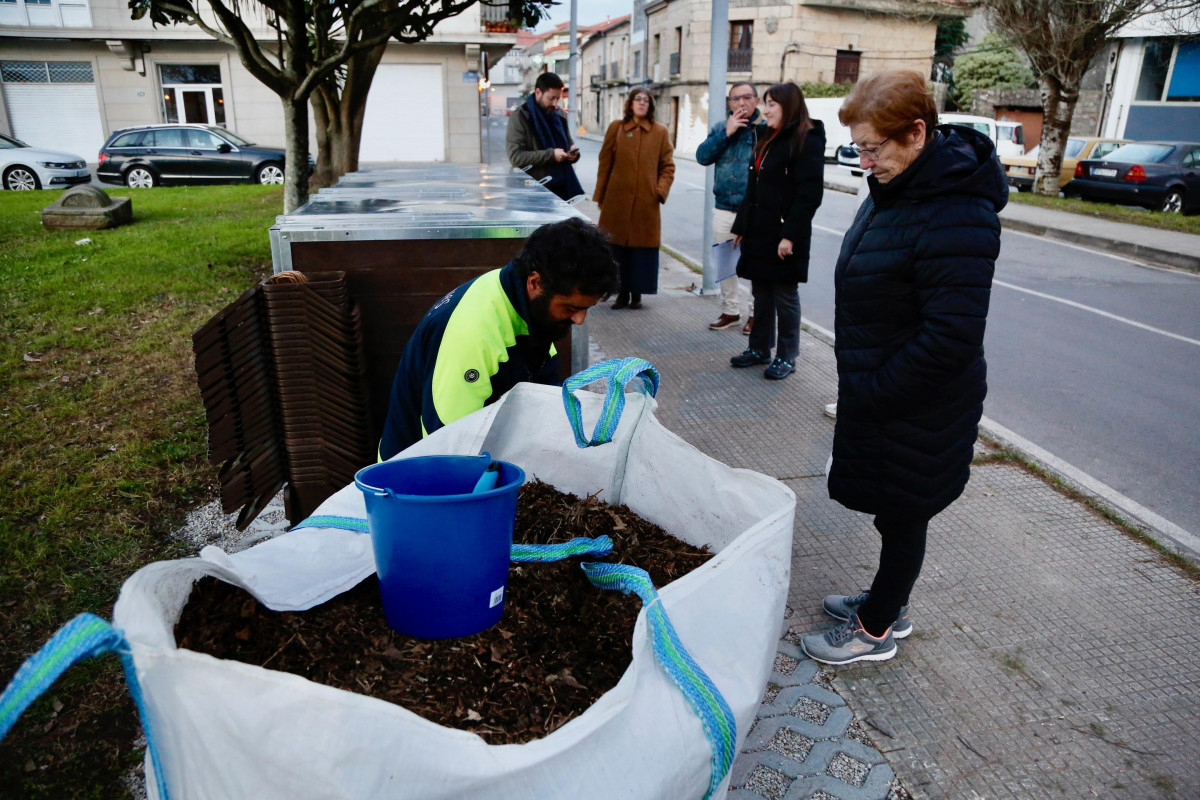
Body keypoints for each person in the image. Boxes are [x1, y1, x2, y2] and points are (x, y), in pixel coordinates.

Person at [800, 70, 1007, 665]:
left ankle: (876, 630)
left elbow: (953, 335)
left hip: (918, 399)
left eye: (872, 147)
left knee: (904, 509)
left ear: (916, 133)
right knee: (896, 510)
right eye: (857, 147)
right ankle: (888, 599)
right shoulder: (901, 185)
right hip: (888, 389)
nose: (863, 161)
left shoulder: (956, 211)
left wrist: (876, 391)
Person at [377, 218, 620, 461]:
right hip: (411, 480)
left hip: (479, 460)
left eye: (587, 308)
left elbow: (545, 392)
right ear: (535, 283)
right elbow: (449, 446)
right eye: (570, 308)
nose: (580, 319)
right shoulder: (474, 333)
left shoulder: (527, 309)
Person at [729, 82, 825, 380]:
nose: (765, 109)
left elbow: (809, 194)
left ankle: (787, 356)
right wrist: (741, 226)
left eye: (772, 104)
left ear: (789, 106)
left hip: (784, 233)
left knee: (784, 295)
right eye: (766, 103)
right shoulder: (765, 137)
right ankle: (759, 349)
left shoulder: (806, 139)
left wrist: (790, 236)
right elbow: (753, 187)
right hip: (759, 231)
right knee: (761, 294)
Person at [594, 87, 676, 310]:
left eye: (646, 100)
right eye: (637, 99)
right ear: (630, 103)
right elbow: (605, 163)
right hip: (616, 202)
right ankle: (620, 293)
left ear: (650, 106)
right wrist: (601, 196)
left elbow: (667, 166)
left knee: (642, 250)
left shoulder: (659, 132)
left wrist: (659, 191)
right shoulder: (616, 128)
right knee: (615, 248)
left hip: (646, 204)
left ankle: (637, 294)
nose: (641, 103)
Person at [695, 82, 764, 333]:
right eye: (735, 99)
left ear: (756, 101)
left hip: (755, 210)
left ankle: (756, 313)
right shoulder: (720, 128)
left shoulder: (764, 131)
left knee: (755, 264)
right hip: (724, 206)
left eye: (747, 97)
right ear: (730, 103)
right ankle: (730, 310)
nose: (741, 103)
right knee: (726, 263)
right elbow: (702, 156)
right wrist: (727, 132)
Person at [506, 72, 584, 202]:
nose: (554, 103)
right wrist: (551, 155)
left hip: (561, 192)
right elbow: (516, 157)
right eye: (551, 98)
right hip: (531, 194)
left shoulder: (559, 116)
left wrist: (573, 154)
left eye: (557, 98)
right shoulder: (520, 117)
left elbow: (568, 144)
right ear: (538, 92)